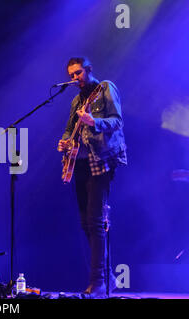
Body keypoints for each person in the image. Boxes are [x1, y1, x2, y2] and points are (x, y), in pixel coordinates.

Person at [57, 57, 127, 297]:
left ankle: (97, 283)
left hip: (101, 160)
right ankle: (108, 278)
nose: (74, 78)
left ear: (88, 70)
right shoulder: (77, 100)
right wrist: (65, 141)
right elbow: (69, 128)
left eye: (78, 73)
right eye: (71, 75)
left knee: (96, 222)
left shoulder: (105, 88)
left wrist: (94, 121)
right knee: (86, 223)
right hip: (80, 163)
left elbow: (117, 121)